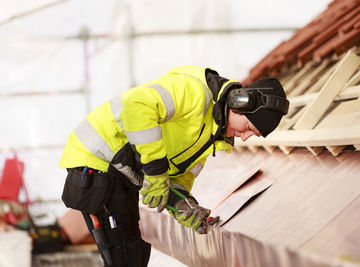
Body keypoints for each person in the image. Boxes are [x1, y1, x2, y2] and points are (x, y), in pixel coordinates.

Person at [59, 65, 289, 267]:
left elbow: (178, 179)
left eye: (253, 134)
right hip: (98, 155)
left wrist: (182, 204)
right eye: (249, 127)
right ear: (239, 102)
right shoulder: (194, 91)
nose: (246, 137)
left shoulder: (211, 137)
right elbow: (136, 108)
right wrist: (156, 172)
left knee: (134, 255)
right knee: (123, 256)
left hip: (119, 169)